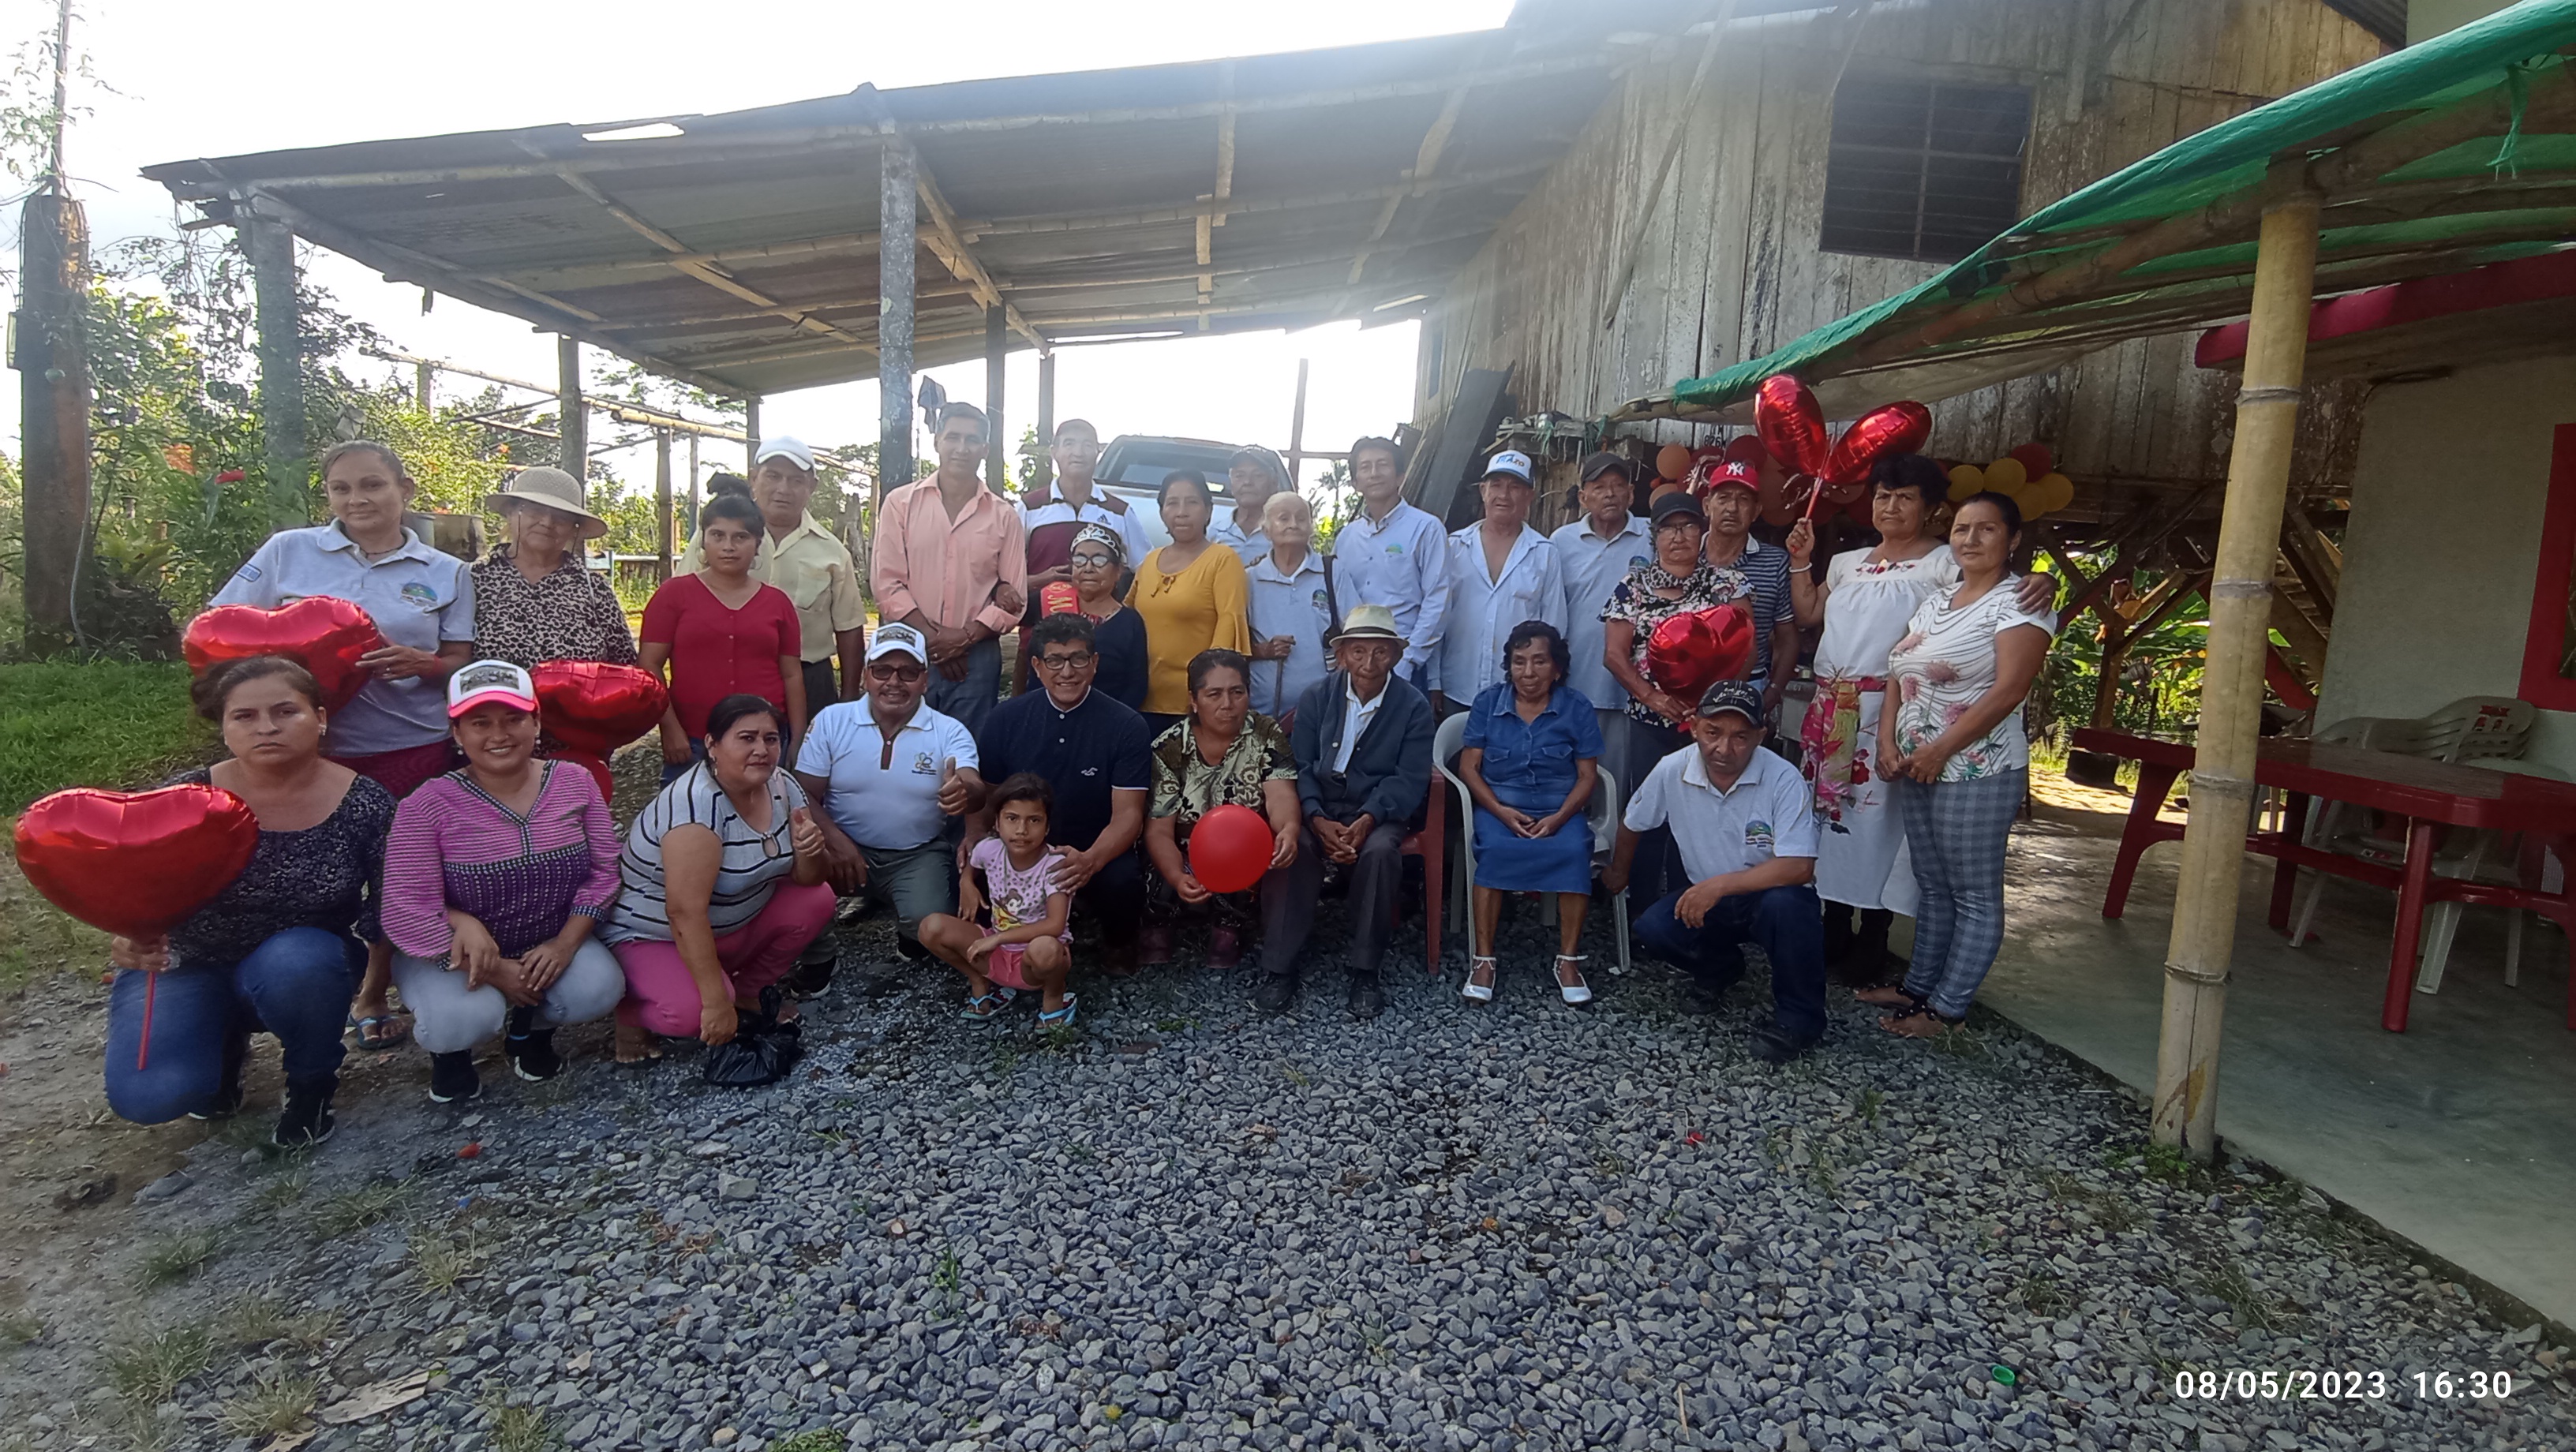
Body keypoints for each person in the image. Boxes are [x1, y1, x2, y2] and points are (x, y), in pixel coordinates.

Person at [212, 439, 474, 1050]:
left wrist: (425, 665)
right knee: (292, 872)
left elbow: (460, 661)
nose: (357, 499)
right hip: (305, 753)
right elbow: (219, 629)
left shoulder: (446, 572)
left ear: (404, 491)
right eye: (341, 488)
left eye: (373, 485)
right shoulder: (288, 552)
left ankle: (373, 990)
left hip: (409, 746)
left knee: (397, 874)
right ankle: (289, 990)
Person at [103, 657, 395, 1146]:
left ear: (320, 718)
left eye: (285, 711)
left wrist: (373, 994)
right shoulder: (184, 797)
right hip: (186, 961)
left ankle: (311, 1083)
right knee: (149, 1097)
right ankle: (223, 1046)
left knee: (301, 960)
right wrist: (127, 937)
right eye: (245, 716)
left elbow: (387, 908)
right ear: (224, 727)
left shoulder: (365, 803)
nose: (266, 728)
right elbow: (129, 885)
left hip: (302, 967)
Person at [1785, 455, 2054, 983]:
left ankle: (1874, 934)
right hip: (1834, 711)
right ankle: (1831, 922)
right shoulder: (1847, 562)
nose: (1891, 506)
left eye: (1905, 497)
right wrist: (1801, 561)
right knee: (1831, 820)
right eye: (1883, 495)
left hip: (1891, 711)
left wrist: (2042, 580)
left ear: (1930, 508)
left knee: (1884, 827)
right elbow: (1809, 614)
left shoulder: (1943, 563)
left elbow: (1994, 586)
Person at [380, 661, 623, 1103]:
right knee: (461, 1018)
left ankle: (531, 1031)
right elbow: (406, 905)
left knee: (598, 988)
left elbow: (604, 871)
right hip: (457, 952)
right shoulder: (426, 806)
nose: (499, 735)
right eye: (480, 723)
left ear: (536, 722)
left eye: (514, 718)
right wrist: (483, 953)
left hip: (548, 938)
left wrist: (564, 945)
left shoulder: (574, 781)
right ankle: (451, 1055)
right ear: (457, 733)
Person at [1859, 492, 2054, 1038]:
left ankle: (1947, 1011)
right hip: (1920, 764)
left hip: (1977, 769)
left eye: (1987, 529)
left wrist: (1941, 748)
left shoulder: (2022, 602)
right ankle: (1918, 987)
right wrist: (1887, 742)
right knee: (1933, 883)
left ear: (2013, 540)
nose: (1970, 539)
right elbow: (1899, 670)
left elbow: (2011, 689)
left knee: (1973, 892)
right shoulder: (1938, 600)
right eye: (1962, 529)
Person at [601, 694, 836, 1061]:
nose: (761, 750)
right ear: (712, 745)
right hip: (657, 933)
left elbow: (809, 879)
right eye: (747, 738)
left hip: (730, 921)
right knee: (693, 1015)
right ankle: (631, 1012)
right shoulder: (694, 807)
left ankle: (747, 992)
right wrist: (714, 1004)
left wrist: (811, 851)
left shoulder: (782, 785)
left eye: (771, 739)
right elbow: (684, 912)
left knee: (817, 899)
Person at [1607, 680, 1825, 1065]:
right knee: (1654, 930)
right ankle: (1721, 968)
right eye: (1713, 732)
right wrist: (1619, 873)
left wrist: (1720, 886)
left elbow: (1799, 865)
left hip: (1767, 894)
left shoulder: (1783, 777)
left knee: (1790, 907)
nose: (1724, 748)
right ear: (1694, 727)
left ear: (1761, 736)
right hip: (1708, 896)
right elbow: (1633, 821)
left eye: (1741, 737)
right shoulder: (1672, 768)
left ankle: (1800, 1019)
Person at [794, 624, 988, 960]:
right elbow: (801, 793)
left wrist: (965, 791)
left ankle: (905, 923)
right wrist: (835, 841)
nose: (894, 682)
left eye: (908, 672)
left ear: (925, 680)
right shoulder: (831, 721)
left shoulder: (949, 731)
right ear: (865, 676)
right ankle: (817, 956)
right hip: (843, 848)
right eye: (882, 670)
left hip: (916, 852)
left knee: (928, 926)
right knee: (797, 885)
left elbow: (974, 785)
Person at [1281, 605, 1437, 1019]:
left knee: (1381, 853)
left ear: (1397, 656)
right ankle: (1279, 965)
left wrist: (1369, 818)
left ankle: (1365, 969)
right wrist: (1315, 816)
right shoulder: (1316, 697)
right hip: (1321, 805)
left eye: (1381, 652)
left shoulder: (1414, 706)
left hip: (1379, 810)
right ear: (1343, 655)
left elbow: (1410, 777)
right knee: (1294, 845)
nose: (1369, 663)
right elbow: (1299, 765)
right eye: (1359, 652)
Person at [974, 611, 1151, 971]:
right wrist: (974, 836)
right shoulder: (1004, 719)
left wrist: (1091, 860)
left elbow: (1129, 814)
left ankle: (1117, 944)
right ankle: (993, 945)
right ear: (1037, 666)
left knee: (1123, 880)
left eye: (1078, 659)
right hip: (1020, 845)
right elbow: (988, 797)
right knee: (967, 867)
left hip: (1091, 845)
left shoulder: (1127, 725)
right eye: (1055, 660)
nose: (1067, 671)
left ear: (1094, 663)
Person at [1600, 492, 1752, 908]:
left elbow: (1746, 649)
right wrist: (1653, 697)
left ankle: (1694, 908)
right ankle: (1643, 910)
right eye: (1668, 528)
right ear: (1655, 536)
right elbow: (1614, 655)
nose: (1678, 536)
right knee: (1648, 810)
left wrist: (1714, 707)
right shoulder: (1634, 586)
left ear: (1702, 531)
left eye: (1687, 526)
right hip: (1651, 720)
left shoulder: (1727, 584)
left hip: (1710, 725)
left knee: (1703, 814)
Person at [1457, 623, 1603, 1005]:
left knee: (1574, 849)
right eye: (1519, 662)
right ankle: (1484, 960)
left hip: (1560, 808)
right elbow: (1469, 768)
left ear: (1557, 668)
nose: (1528, 672)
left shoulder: (1577, 707)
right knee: (1494, 849)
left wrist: (1559, 818)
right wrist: (1501, 812)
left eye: (1540, 661)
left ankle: (1568, 961)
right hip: (1500, 807)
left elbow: (1588, 776)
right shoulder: (1488, 703)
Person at [1140, 649, 1302, 974]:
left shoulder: (1266, 733)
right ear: (1194, 700)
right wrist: (1177, 877)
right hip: (1183, 849)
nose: (1227, 704)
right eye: (1214, 694)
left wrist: (1289, 829)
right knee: (1154, 865)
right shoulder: (1169, 747)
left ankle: (1230, 925)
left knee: (1249, 852)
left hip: (1242, 852)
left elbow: (1280, 794)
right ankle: (1161, 919)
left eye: (1236, 692)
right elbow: (1159, 828)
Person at [871, 401, 1027, 735]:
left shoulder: (1004, 516)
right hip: (908, 648)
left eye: (972, 440)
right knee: (901, 744)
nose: (962, 448)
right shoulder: (900, 504)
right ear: (937, 441)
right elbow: (887, 584)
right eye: (953, 437)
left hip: (977, 658)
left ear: (985, 449)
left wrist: (965, 638)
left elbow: (1015, 600)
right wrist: (937, 641)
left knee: (966, 750)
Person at [679, 437, 868, 709]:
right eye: (773, 476)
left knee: (807, 739)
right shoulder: (716, 538)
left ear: (812, 486)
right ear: (754, 478)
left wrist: (849, 699)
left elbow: (849, 627)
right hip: (727, 676)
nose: (783, 489)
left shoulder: (833, 552)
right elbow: (681, 601)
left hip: (809, 679)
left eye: (796, 480)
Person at [642, 492, 805, 784]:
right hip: (693, 739)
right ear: (703, 540)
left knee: (762, 809)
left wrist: (797, 737)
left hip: (764, 741)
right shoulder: (673, 595)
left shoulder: (777, 603)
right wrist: (670, 728)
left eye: (741, 537)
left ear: (758, 543)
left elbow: (792, 674)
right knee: (691, 811)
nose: (728, 546)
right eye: (718, 535)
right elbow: (649, 665)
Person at [921, 773, 1080, 1027]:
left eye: (1034, 820)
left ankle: (1054, 997)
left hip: (1035, 960)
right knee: (931, 927)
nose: (1021, 830)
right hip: (997, 953)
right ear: (997, 822)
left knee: (1046, 948)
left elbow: (1055, 925)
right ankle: (979, 980)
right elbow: (973, 862)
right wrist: (966, 882)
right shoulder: (990, 849)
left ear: (1047, 827)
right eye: (1012, 818)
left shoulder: (1055, 865)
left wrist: (998, 938)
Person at [1016, 418, 1151, 690]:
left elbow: (1145, 570)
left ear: (1097, 452)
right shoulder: (1029, 507)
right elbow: (1006, 576)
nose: (1078, 452)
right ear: (1054, 451)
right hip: (1040, 639)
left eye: (1087, 445)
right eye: (1069, 444)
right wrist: (1041, 580)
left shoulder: (1118, 511)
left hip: (1100, 646)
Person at [1550, 451, 1650, 800]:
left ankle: (1615, 837)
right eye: (1599, 487)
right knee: (1572, 778)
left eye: (1618, 486)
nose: (1610, 494)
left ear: (1631, 494)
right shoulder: (1560, 542)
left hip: (1632, 685)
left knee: (1620, 786)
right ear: (1583, 497)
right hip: (1576, 679)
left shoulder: (1652, 536)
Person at [1435, 451, 1566, 712]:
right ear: (1483, 491)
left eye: (1515, 487)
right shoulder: (1453, 547)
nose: (1504, 495)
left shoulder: (1544, 552)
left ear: (1529, 495)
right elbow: (1435, 617)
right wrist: (1433, 682)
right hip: (1456, 688)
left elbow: (1554, 627)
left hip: (1519, 694)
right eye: (1496, 485)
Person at [470, 466, 636, 669]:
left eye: (561, 517)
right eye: (535, 510)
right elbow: (451, 656)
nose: (547, 522)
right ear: (510, 513)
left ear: (574, 529)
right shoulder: (474, 579)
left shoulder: (593, 588)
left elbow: (624, 666)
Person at [1129, 470, 1251, 732]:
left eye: (1192, 502)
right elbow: (1125, 619)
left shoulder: (1223, 560)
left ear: (1208, 511)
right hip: (1141, 702)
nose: (1181, 512)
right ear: (1162, 512)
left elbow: (1229, 626)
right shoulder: (1150, 560)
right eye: (1172, 503)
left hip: (1195, 709)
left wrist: (1210, 695)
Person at [1329, 436, 1450, 692]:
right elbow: (1335, 600)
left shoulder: (1426, 528)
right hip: (1354, 666)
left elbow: (1437, 601)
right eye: (1365, 467)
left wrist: (1409, 659)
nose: (1374, 473)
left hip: (1403, 662)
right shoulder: (1346, 538)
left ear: (1400, 477)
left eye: (1383, 464)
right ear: (1355, 482)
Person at [1701, 459, 1800, 721]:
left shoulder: (1775, 562)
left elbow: (1787, 636)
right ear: (1707, 505)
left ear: (1756, 511)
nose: (1732, 508)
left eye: (1743, 500)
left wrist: (1774, 691)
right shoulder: (1685, 555)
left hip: (1750, 687)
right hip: (1685, 686)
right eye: (1723, 498)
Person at [1245, 491, 1336, 721]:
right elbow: (1231, 645)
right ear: (1266, 531)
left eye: (1301, 518)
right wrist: (1264, 650)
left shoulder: (1331, 572)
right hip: (1262, 714)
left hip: (1321, 711)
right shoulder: (1249, 579)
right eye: (1283, 518)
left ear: (1311, 528)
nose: (1293, 524)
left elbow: (1352, 632)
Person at [1061, 523, 1151, 711]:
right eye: (1080, 559)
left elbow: (1136, 686)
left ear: (1118, 571)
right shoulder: (1055, 608)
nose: (1088, 568)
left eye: (1099, 560)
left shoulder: (1129, 623)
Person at [1211, 446, 1288, 565]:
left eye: (1258, 475)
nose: (1247, 482)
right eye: (1239, 476)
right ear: (1231, 483)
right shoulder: (1213, 533)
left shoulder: (1287, 533)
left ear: (1274, 483)